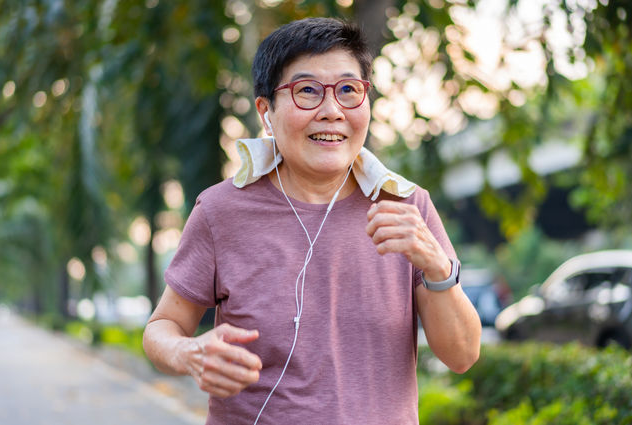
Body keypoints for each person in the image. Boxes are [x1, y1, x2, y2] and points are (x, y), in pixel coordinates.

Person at [143, 17, 481, 424]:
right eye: (307, 91)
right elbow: (162, 327)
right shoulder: (220, 211)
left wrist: (438, 267)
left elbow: (462, 356)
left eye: (348, 91)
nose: (332, 111)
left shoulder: (408, 208)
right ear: (266, 111)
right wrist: (189, 352)